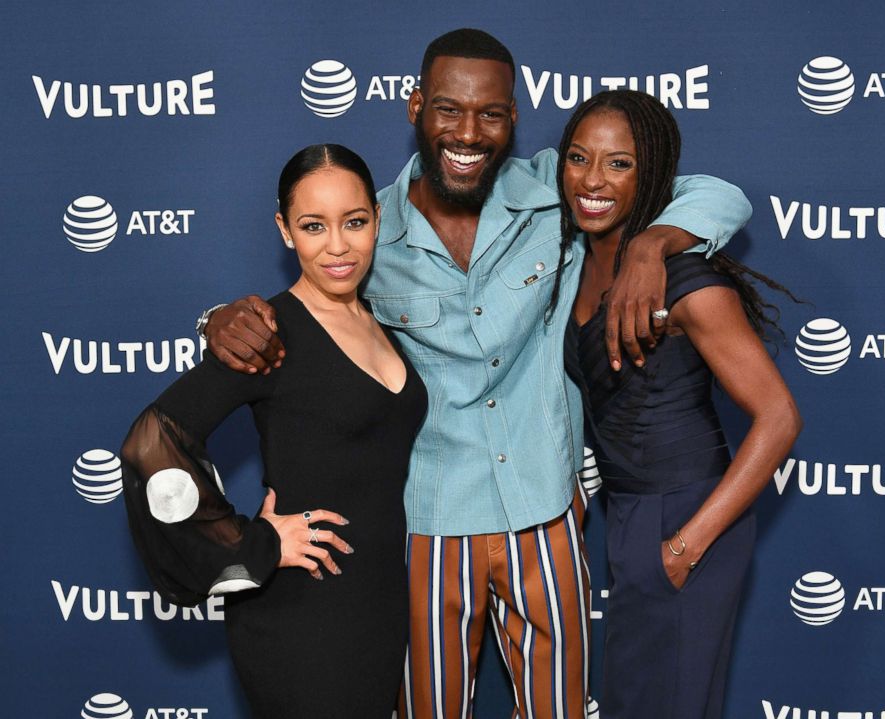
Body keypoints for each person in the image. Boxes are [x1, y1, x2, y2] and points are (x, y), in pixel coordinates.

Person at [203, 29, 752, 718]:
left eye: (490, 113)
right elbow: (304, 310)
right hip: (431, 523)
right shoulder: (370, 227)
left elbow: (720, 194)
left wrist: (653, 243)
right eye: (448, 110)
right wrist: (217, 318)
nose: (468, 130)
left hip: (546, 513)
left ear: (513, 119)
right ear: (415, 109)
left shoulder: (556, 192)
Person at [120, 144, 427, 718]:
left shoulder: (382, 322)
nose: (337, 246)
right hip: (301, 617)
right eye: (314, 226)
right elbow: (149, 441)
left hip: (377, 608)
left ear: (378, 220)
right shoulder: (268, 334)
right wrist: (254, 545)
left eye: (354, 222)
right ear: (286, 232)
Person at [558, 90, 802, 719]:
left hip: (687, 516)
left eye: (619, 164)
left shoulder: (688, 283)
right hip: (631, 514)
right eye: (579, 158)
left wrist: (686, 546)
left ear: (653, 175)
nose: (592, 180)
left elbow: (779, 418)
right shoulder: (575, 260)